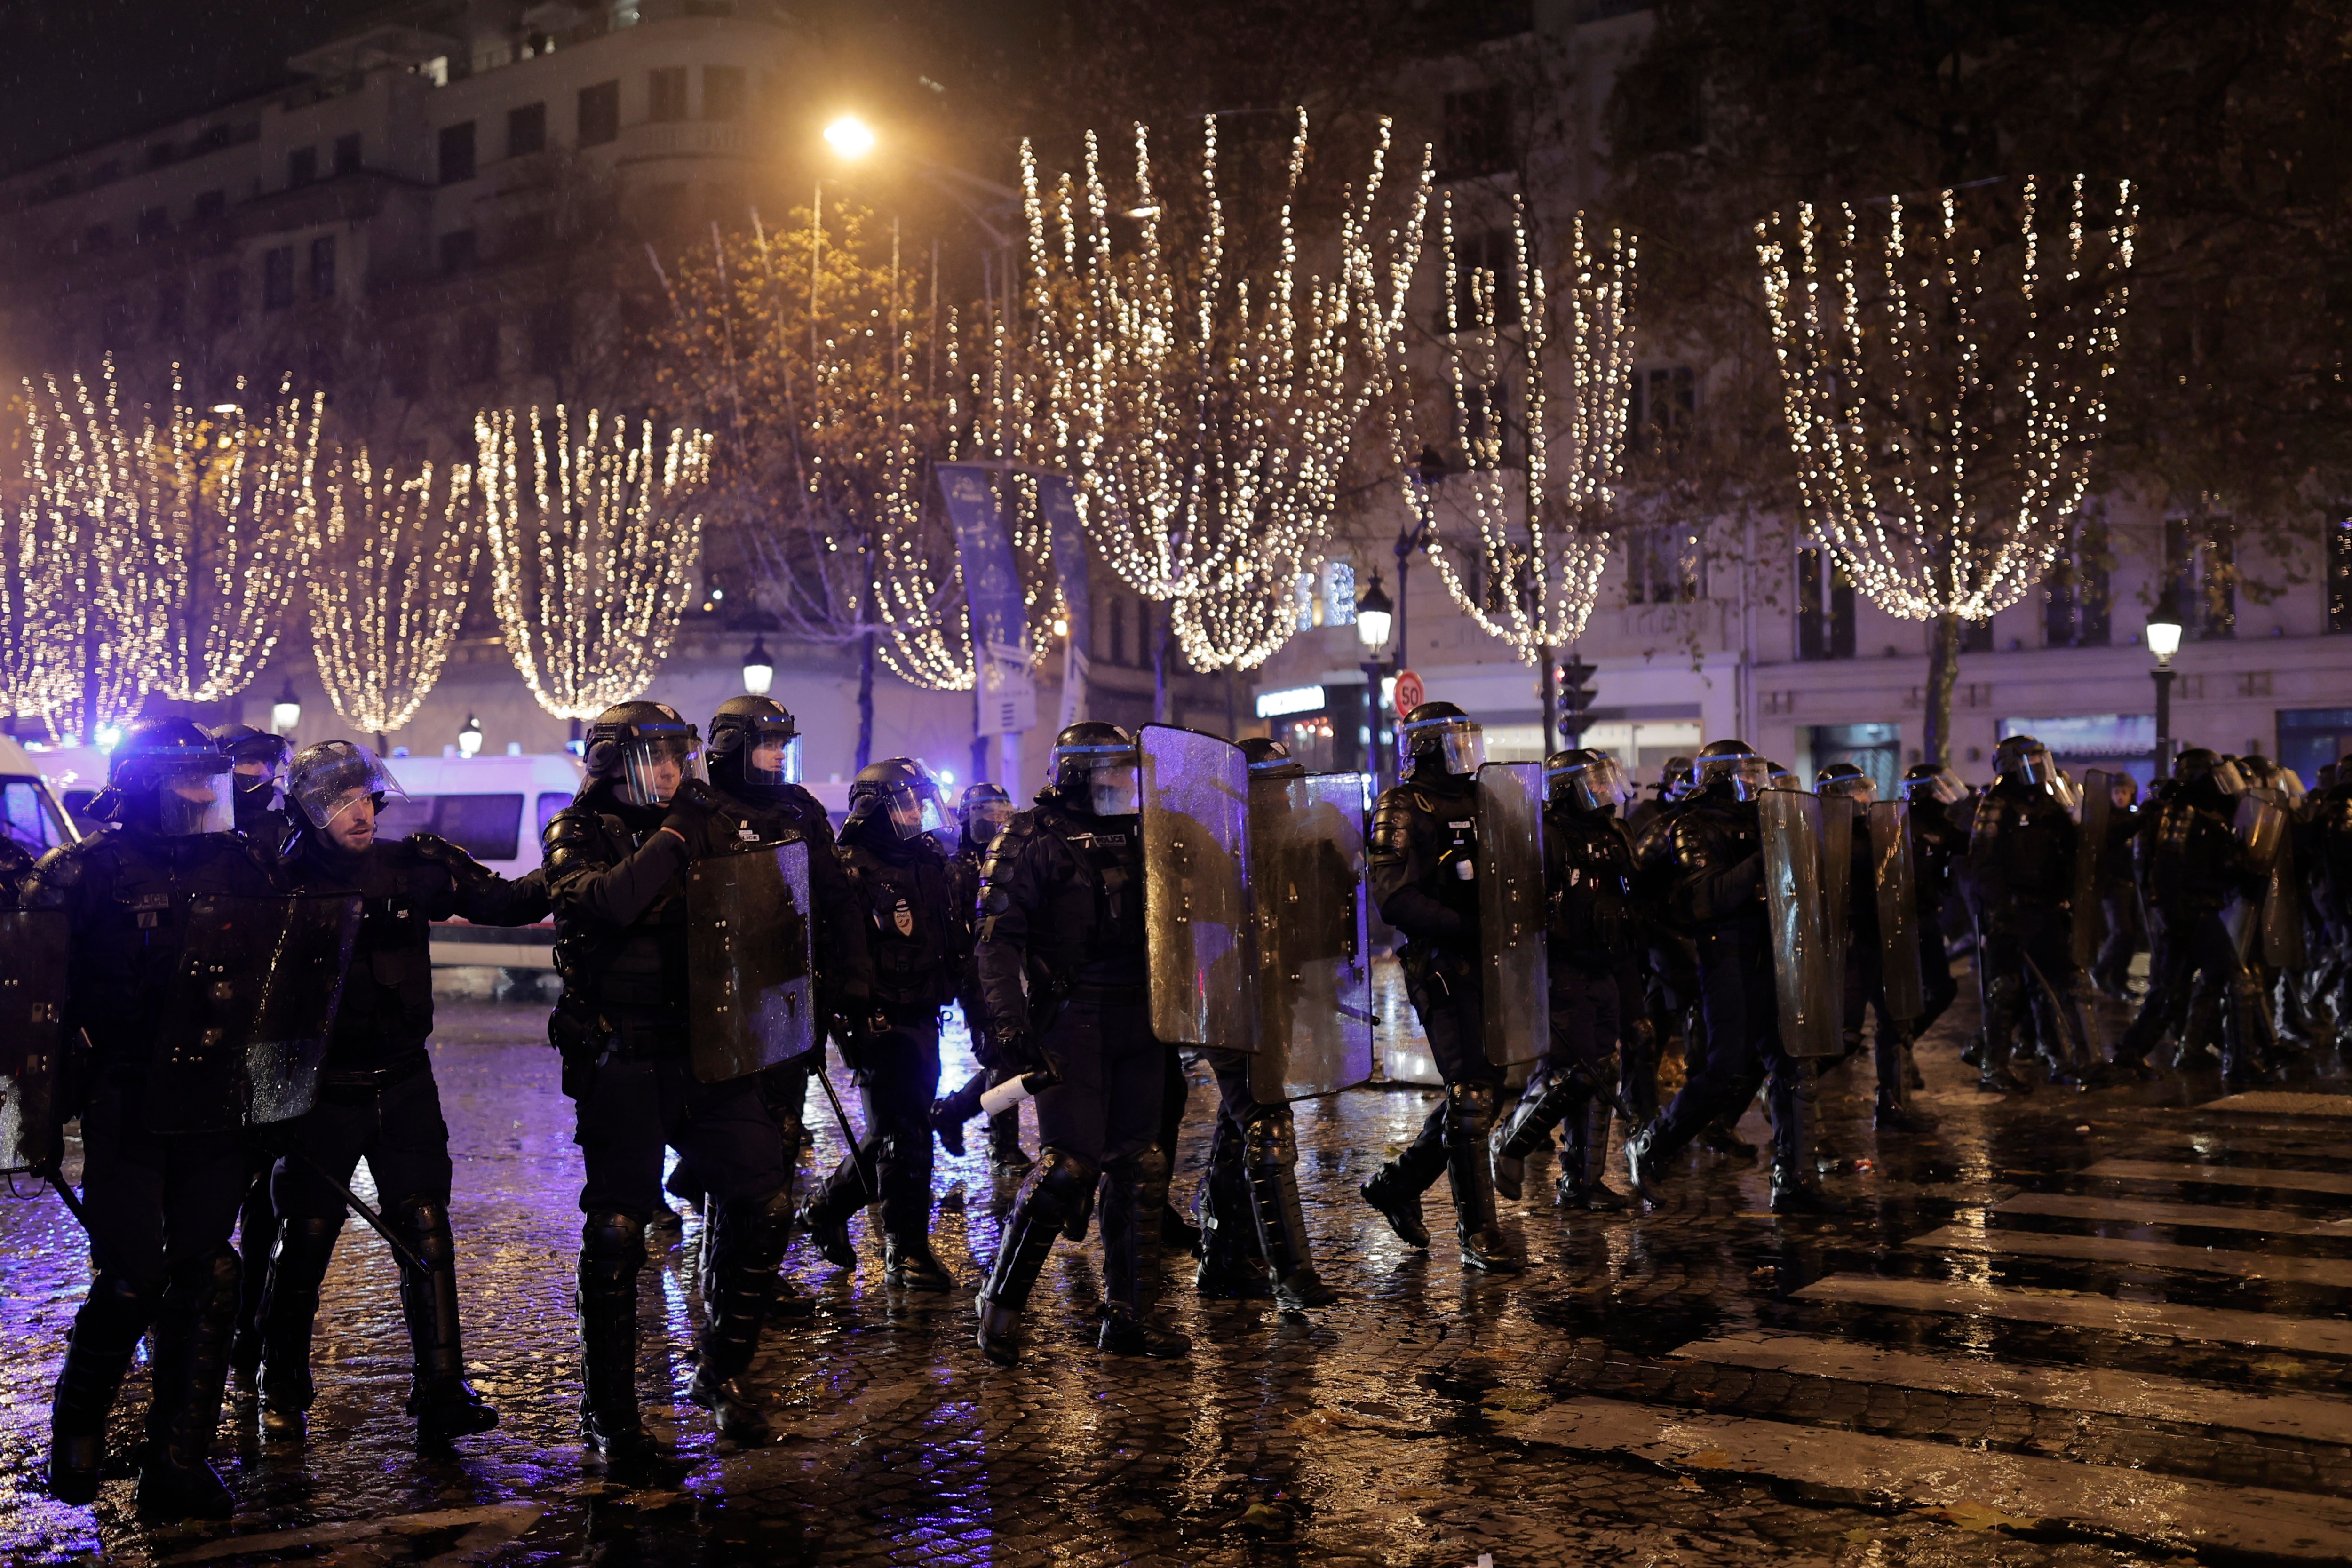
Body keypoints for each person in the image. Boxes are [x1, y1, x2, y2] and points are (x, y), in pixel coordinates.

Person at [27, 717, 286, 1517]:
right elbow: (38, 1005)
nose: (210, 788)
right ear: (146, 779)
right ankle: (77, 1428)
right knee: (136, 1273)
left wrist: (279, 1091)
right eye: (190, 776)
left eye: (213, 774)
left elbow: (281, 983)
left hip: (215, 1099)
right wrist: (31, 1117)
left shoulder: (244, 863)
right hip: (127, 1095)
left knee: (209, 1270)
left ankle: (181, 1454)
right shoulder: (82, 872)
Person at [252, 740, 547, 1445]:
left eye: (366, 798)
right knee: (306, 1240)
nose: (361, 812)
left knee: (426, 1230)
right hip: (319, 1092)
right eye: (342, 801)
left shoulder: (410, 869)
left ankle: (443, 1387)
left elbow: (503, 902)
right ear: (310, 809)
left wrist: (573, 866)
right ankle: (281, 1384)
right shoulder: (277, 879)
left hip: (404, 1079)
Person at [543, 701, 794, 1456]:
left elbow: (763, 915)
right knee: (620, 1231)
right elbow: (609, 901)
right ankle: (611, 1416)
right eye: (654, 756)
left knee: (765, 1193)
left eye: (677, 755)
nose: (671, 770)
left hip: (706, 1050)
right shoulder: (576, 830)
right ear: (614, 759)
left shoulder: (707, 816)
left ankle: (721, 1370)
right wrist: (678, 834)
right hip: (622, 1056)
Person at [971, 722, 1190, 1363]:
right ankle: (1002, 1306)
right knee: (1070, 1165)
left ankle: (1127, 1315)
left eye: (1128, 769)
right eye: (1111, 771)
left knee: (1142, 1163)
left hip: (1143, 1014)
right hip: (1073, 1016)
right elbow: (996, 940)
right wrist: (1011, 1025)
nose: (1123, 781)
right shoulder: (1030, 836)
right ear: (1079, 773)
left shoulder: (1146, 832)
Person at [668, 694, 871, 1318]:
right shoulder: (699, 811)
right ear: (731, 746)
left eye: (785, 743)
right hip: (719, 1005)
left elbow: (835, 898)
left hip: (787, 999)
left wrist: (853, 976)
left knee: (780, 1141)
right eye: (769, 743)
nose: (780, 755)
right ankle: (721, 1274)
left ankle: (756, 1271)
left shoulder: (800, 808)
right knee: (739, 1146)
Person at [1624, 739, 1844, 1214]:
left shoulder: (1758, 820)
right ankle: (1652, 1144)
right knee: (1726, 1070)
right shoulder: (1692, 825)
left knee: (1792, 1064)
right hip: (1725, 954)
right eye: (1746, 776)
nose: (1756, 785)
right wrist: (1766, 851)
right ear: (1721, 779)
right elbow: (1710, 899)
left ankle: (1792, 1180)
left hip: (1774, 950)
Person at [1357, 702, 1523, 1273]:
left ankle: (1397, 1186)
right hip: (1440, 963)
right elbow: (1394, 898)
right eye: (1451, 743)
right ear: (1425, 748)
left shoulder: (1482, 798)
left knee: (1486, 1088)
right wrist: (1467, 927)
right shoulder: (1401, 805)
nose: (1463, 753)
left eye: (1466, 741)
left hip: (1489, 960)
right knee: (1471, 1093)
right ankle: (1478, 1232)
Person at [797, 759, 962, 1291]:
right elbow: (829, 953)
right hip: (876, 1017)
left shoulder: (929, 860)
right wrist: (842, 1023)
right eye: (907, 802)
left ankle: (826, 1206)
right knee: (904, 1137)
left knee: (900, 1128)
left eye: (921, 801)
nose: (918, 813)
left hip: (922, 1012)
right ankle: (904, 1250)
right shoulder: (848, 869)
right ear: (876, 811)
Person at [1191, 737, 1342, 1310]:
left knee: (1238, 1127)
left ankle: (1225, 1258)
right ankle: (1290, 1273)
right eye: (1274, 786)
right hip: (1227, 1003)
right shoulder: (1214, 848)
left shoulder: (1290, 848)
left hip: (1273, 1004)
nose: (1285, 798)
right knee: (1265, 1123)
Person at [1491, 749, 1642, 1212]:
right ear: (1563, 789)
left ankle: (1582, 1181)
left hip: (1605, 963)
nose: (1602, 791)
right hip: (1561, 967)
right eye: (1591, 783)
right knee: (1569, 1072)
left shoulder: (1612, 833)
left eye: (1604, 781)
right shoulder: (1546, 835)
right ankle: (1510, 1141)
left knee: (1601, 1069)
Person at [2113, 749, 2275, 1086]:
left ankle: (2130, 1053)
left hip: (2193, 910)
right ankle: (2242, 1060)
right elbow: (2169, 867)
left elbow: (2216, 864)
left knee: (2169, 992)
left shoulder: (2206, 814)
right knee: (2236, 978)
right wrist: (2178, 913)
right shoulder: (2183, 812)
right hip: (2191, 910)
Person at [1963, 735, 2102, 1092]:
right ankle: (1994, 1066)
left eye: (2043, 760)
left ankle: (2071, 1061)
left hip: (2046, 909)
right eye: (2032, 761)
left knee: (2064, 984)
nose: (2040, 767)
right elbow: (1983, 864)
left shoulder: (2047, 803)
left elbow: (2072, 846)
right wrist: (2000, 908)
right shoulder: (1996, 804)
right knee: (2005, 990)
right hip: (2011, 910)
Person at [1815, 764, 1930, 1131]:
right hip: (1846, 946)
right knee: (1845, 1035)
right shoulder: (1821, 834)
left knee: (1896, 1020)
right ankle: (1783, 1085)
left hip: (1879, 938)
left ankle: (1892, 1103)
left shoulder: (1875, 828)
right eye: (1856, 791)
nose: (1865, 797)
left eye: (1866, 790)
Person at [930, 781, 1033, 1170]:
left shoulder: (1017, 859)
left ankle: (955, 1112)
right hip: (977, 976)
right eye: (988, 812)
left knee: (1013, 1060)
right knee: (1002, 1058)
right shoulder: (957, 868)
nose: (998, 818)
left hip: (1016, 973)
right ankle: (1003, 1145)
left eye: (1002, 810)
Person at [2091, 772, 2146, 1000]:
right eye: (2116, 792)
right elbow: (2117, 833)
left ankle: (2119, 978)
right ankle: (2102, 970)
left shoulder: (2133, 817)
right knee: (2121, 930)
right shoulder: (2108, 819)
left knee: (2131, 934)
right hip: (2113, 885)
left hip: (2132, 883)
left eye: (2124, 792)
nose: (2120, 797)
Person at [209, 725, 294, 850]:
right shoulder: (204, 835)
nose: (265, 772)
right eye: (250, 762)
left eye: (268, 763)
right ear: (220, 770)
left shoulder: (284, 833)